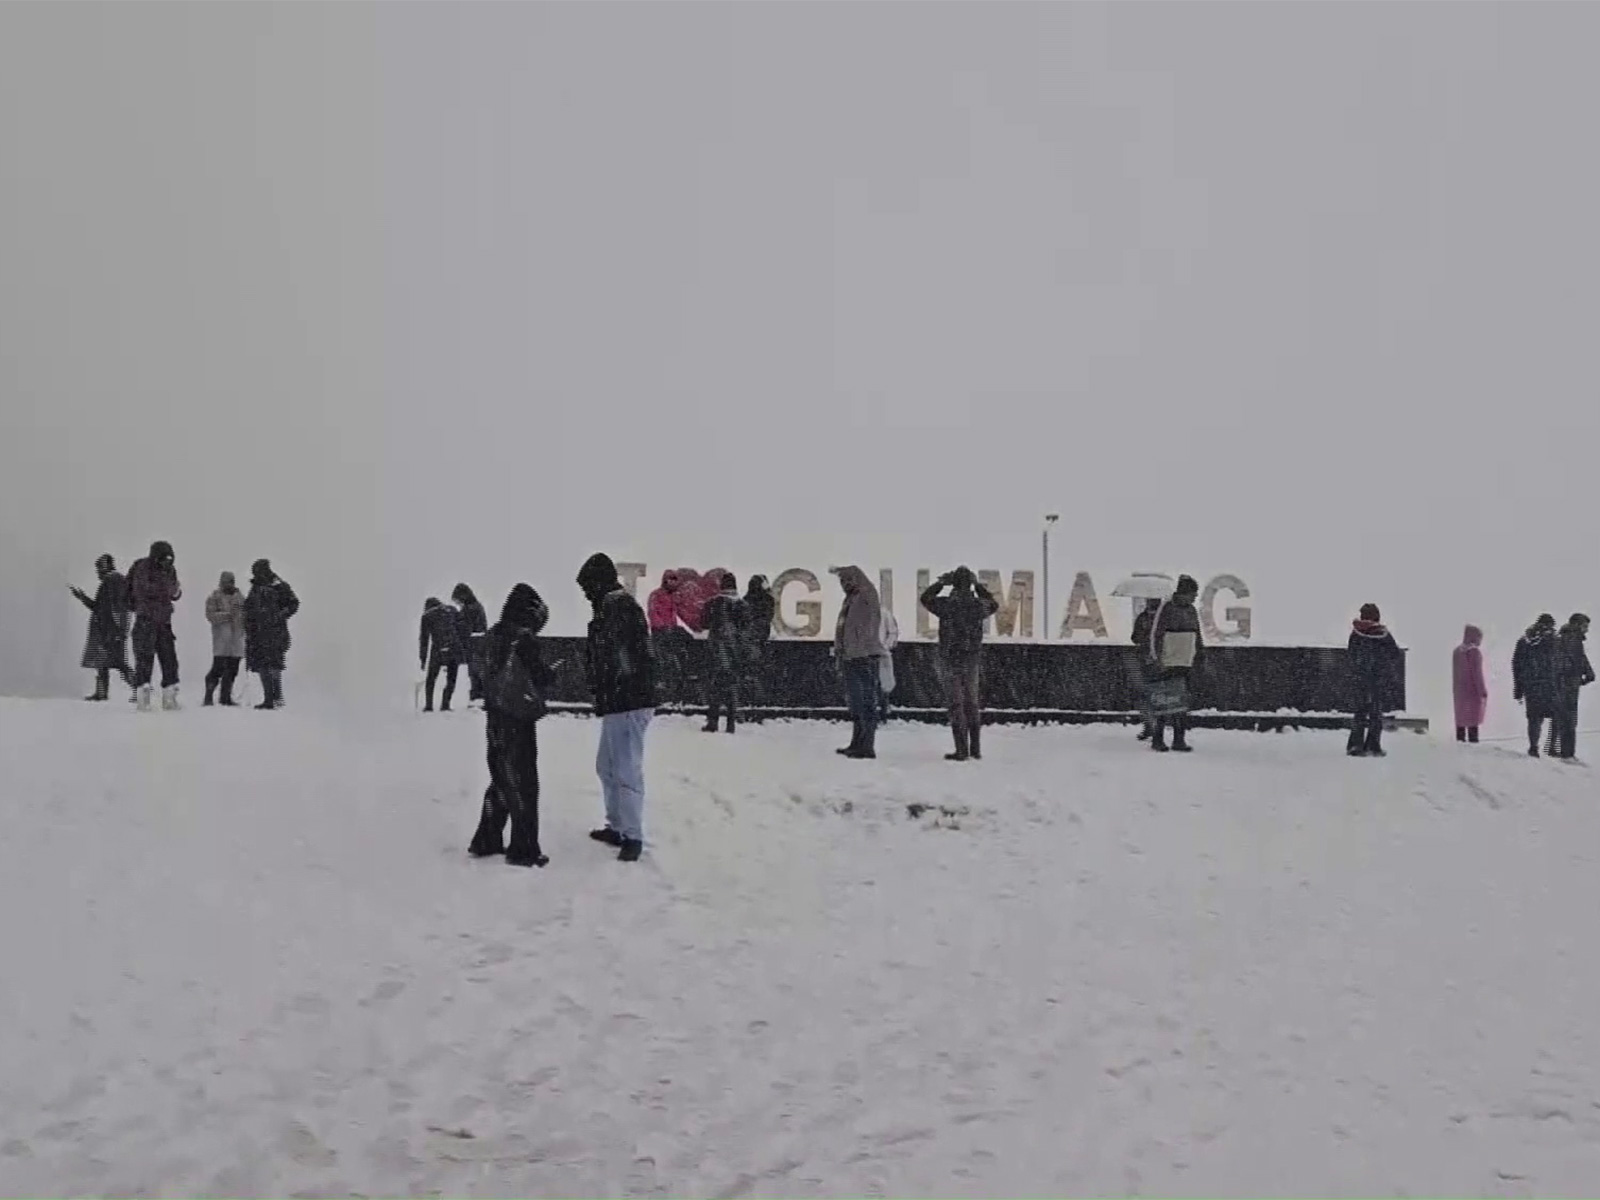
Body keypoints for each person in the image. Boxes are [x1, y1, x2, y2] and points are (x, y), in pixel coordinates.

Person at [578, 553, 657, 862]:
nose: (585, 594)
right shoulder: (611, 607)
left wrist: (613, 685)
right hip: (619, 701)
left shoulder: (618, 608)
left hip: (628, 701)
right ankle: (618, 826)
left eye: (587, 587)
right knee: (608, 766)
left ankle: (632, 836)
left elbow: (622, 657)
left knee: (625, 769)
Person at [468, 583, 553, 867]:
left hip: (495, 715)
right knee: (525, 783)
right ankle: (523, 849)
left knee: (502, 778)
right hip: (518, 717)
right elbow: (540, 677)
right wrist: (550, 675)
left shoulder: (493, 636)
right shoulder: (524, 639)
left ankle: (487, 838)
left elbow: (482, 674)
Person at [919, 567, 999, 761]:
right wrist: (978, 586)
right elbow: (993, 605)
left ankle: (961, 749)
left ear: (953, 583)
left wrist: (940, 583)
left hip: (950, 657)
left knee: (956, 705)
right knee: (972, 703)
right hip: (971, 657)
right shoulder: (977, 605)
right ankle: (976, 749)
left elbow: (925, 599)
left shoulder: (947, 605)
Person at [832, 566, 886, 759]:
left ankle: (866, 745)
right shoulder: (853, 598)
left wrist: (850, 651)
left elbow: (861, 628)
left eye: (847, 580)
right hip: (852, 656)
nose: (844, 584)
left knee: (865, 702)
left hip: (863, 657)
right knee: (857, 703)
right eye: (842, 581)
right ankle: (858, 742)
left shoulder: (865, 595)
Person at [1147, 575, 1204, 753]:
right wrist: (1156, 659)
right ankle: (1158, 739)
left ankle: (1179, 739)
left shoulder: (1192, 610)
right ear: (1182, 593)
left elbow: (1197, 633)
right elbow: (1156, 635)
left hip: (1186, 661)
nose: (1194, 597)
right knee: (1164, 701)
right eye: (1192, 593)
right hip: (1168, 661)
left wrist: (1200, 653)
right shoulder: (1166, 609)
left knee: (1182, 704)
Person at [126, 540, 182, 711]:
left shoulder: (168, 569)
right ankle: (145, 698)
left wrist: (176, 592)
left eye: (170, 558)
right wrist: (169, 590)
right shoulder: (143, 568)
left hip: (163, 620)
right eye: (165, 558)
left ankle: (169, 696)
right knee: (145, 659)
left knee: (169, 660)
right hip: (146, 619)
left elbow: (174, 592)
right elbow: (143, 589)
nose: (168, 561)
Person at [71, 554, 130, 702]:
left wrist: (118, 630)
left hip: (108, 630)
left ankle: (140, 688)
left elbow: (113, 608)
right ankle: (102, 693)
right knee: (104, 663)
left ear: (104, 567)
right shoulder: (114, 581)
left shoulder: (112, 581)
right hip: (108, 629)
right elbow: (100, 607)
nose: (97, 572)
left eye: (98, 569)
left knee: (118, 664)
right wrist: (82, 597)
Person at [1347, 602, 1402, 757]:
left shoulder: (1356, 633)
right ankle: (1373, 745)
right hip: (1378, 678)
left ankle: (1355, 745)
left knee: (1360, 711)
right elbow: (1394, 653)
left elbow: (1351, 653)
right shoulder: (1383, 634)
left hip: (1361, 678)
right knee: (1376, 712)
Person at [244, 558, 299, 710]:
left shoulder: (279, 586)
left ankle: (276, 697)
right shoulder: (255, 588)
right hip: (259, 633)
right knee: (263, 665)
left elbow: (294, 603)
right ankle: (269, 698)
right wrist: (248, 626)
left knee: (274, 664)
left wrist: (281, 615)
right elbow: (248, 609)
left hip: (276, 631)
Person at [700, 571, 745, 733]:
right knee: (732, 686)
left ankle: (713, 722)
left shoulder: (712, 603)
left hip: (716, 650)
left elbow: (703, 623)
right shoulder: (742, 605)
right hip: (735, 652)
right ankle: (731, 723)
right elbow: (746, 629)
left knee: (715, 686)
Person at [1512, 613, 1559, 757]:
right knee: (1556, 715)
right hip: (1550, 684)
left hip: (1530, 686)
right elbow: (1558, 663)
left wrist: (1518, 688)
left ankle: (1534, 747)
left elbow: (1516, 665)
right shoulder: (1552, 640)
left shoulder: (1524, 641)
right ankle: (1551, 747)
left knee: (1534, 718)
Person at [1551, 613, 1595, 761]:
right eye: (1584, 626)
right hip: (1569, 683)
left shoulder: (1563, 638)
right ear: (1576, 625)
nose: (1586, 630)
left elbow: (1580, 659)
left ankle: (1558, 749)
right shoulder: (1573, 639)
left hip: (1563, 682)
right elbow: (1578, 660)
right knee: (1568, 718)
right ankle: (1567, 752)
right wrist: (1585, 676)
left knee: (1562, 717)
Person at [647, 569, 692, 709]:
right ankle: (663, 694)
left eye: (674, 580)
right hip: (660, 633)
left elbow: (678, 614)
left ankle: (675, 693)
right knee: (663, 663)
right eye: (670, 580)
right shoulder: (656, 595)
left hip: (670, 632)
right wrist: (663, 627)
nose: (673, 583)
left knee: (673, 663)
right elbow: (653, 613)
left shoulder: (672, 596)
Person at [203, 571, 247, 707]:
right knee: (217, 669)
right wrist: (227, 615)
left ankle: (226, 697)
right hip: (221, 640)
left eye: (229, 581)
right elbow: (210, 615)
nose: (227, 584)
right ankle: (208, 696)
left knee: (233, 670)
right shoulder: (214, 597)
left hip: (237, 640)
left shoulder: (241, 598)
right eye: (225, 582)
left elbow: (246, 616)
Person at [419, 597, 465, 712]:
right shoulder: (452, 610)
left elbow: (424, 640)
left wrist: (423, 659)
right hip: (454, 648)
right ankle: (446, 704)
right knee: (451, 678)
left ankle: (429, 705)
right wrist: (463, 652)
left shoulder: (427, 616)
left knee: (431, 678)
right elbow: (462, 630)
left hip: (438, 650)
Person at [741, 574, 776, 715]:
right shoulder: (767, 600)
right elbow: (767, 617)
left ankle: (749, 697)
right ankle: (759, 698)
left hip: (748, 639)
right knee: (758, 669)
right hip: (760, 639)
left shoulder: (745, 601)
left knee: (749, 670)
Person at [1130, 597, 1163, 741]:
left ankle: (1155, 726)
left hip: (1159, 660)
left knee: (1156, 694)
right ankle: (1149, 724)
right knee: (1144, 694)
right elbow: (1135, 637)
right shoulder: (1143, 618)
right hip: (1145, 659)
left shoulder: (1162, 618)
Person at [452, 583, 489, 705]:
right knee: (476, 672)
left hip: (474, 644)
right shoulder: (476, 607)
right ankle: (478, 695)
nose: (458, 604)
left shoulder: (470, 609)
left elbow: (465, 628)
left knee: (475, 672)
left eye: (458, 601)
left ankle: (477, 696)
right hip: (478, 643)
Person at [1452, 624, 1488, 743]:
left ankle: (1460, 742)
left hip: (1459, 692)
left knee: (1461, 719)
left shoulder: (1457, 651)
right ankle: (1473, 744)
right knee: (1472, 721)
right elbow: (1477, 674)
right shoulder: (1474, 652)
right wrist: (1482, 691)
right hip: (1472, 692)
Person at [878, 604, 900, 723]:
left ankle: (883, 712)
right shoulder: (858, 612)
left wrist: (885, 647)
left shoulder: (884, 613)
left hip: (882, 654)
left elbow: (892, 632)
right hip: (863, 654)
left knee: (885, 684)